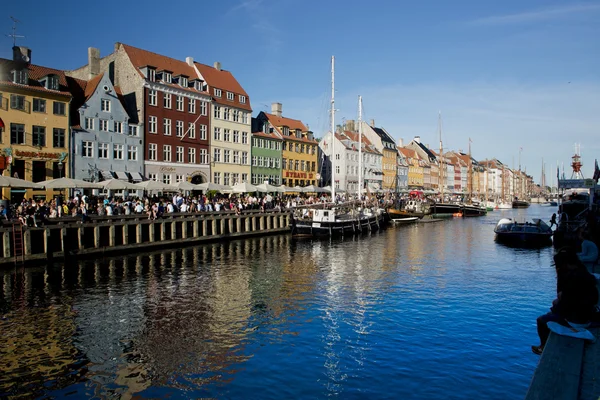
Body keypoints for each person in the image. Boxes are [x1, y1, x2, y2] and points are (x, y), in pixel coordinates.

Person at [532, 248, 599, 355]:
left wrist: (559, 278)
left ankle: (543, 346)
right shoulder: (585, 274)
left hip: (576, 320)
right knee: (554, 307)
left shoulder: (571, 278)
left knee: (541, 320)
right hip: (588, 315)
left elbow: (564, 304)